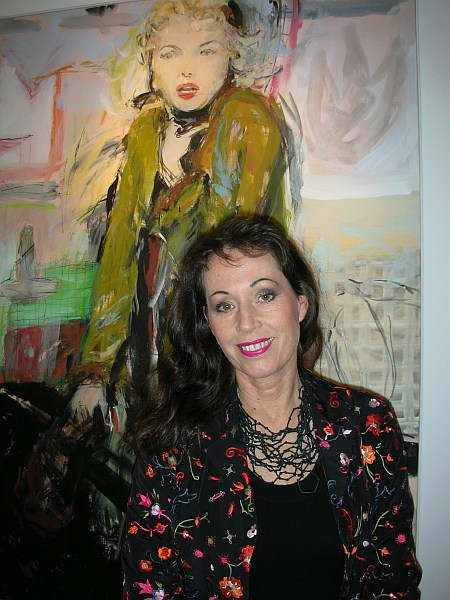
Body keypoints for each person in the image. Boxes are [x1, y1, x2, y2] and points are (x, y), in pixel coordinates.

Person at [121, 216, 421, 599]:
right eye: (224, 305)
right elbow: (148, 588)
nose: (246, 323)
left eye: (264, 295)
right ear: (208, 323)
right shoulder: (172, 445)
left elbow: (393, 582)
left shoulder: (367, 425)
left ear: (300, 303)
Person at [75, 0, 291, 394]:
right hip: (145, 332)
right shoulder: (146, 131)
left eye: (206, 51)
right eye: (170, 54)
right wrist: (96, 368)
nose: (186, 70)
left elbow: (227, 252)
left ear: (232, 56)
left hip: (212, 339)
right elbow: (120, 247)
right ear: (151, 62)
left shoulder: (245, 117)